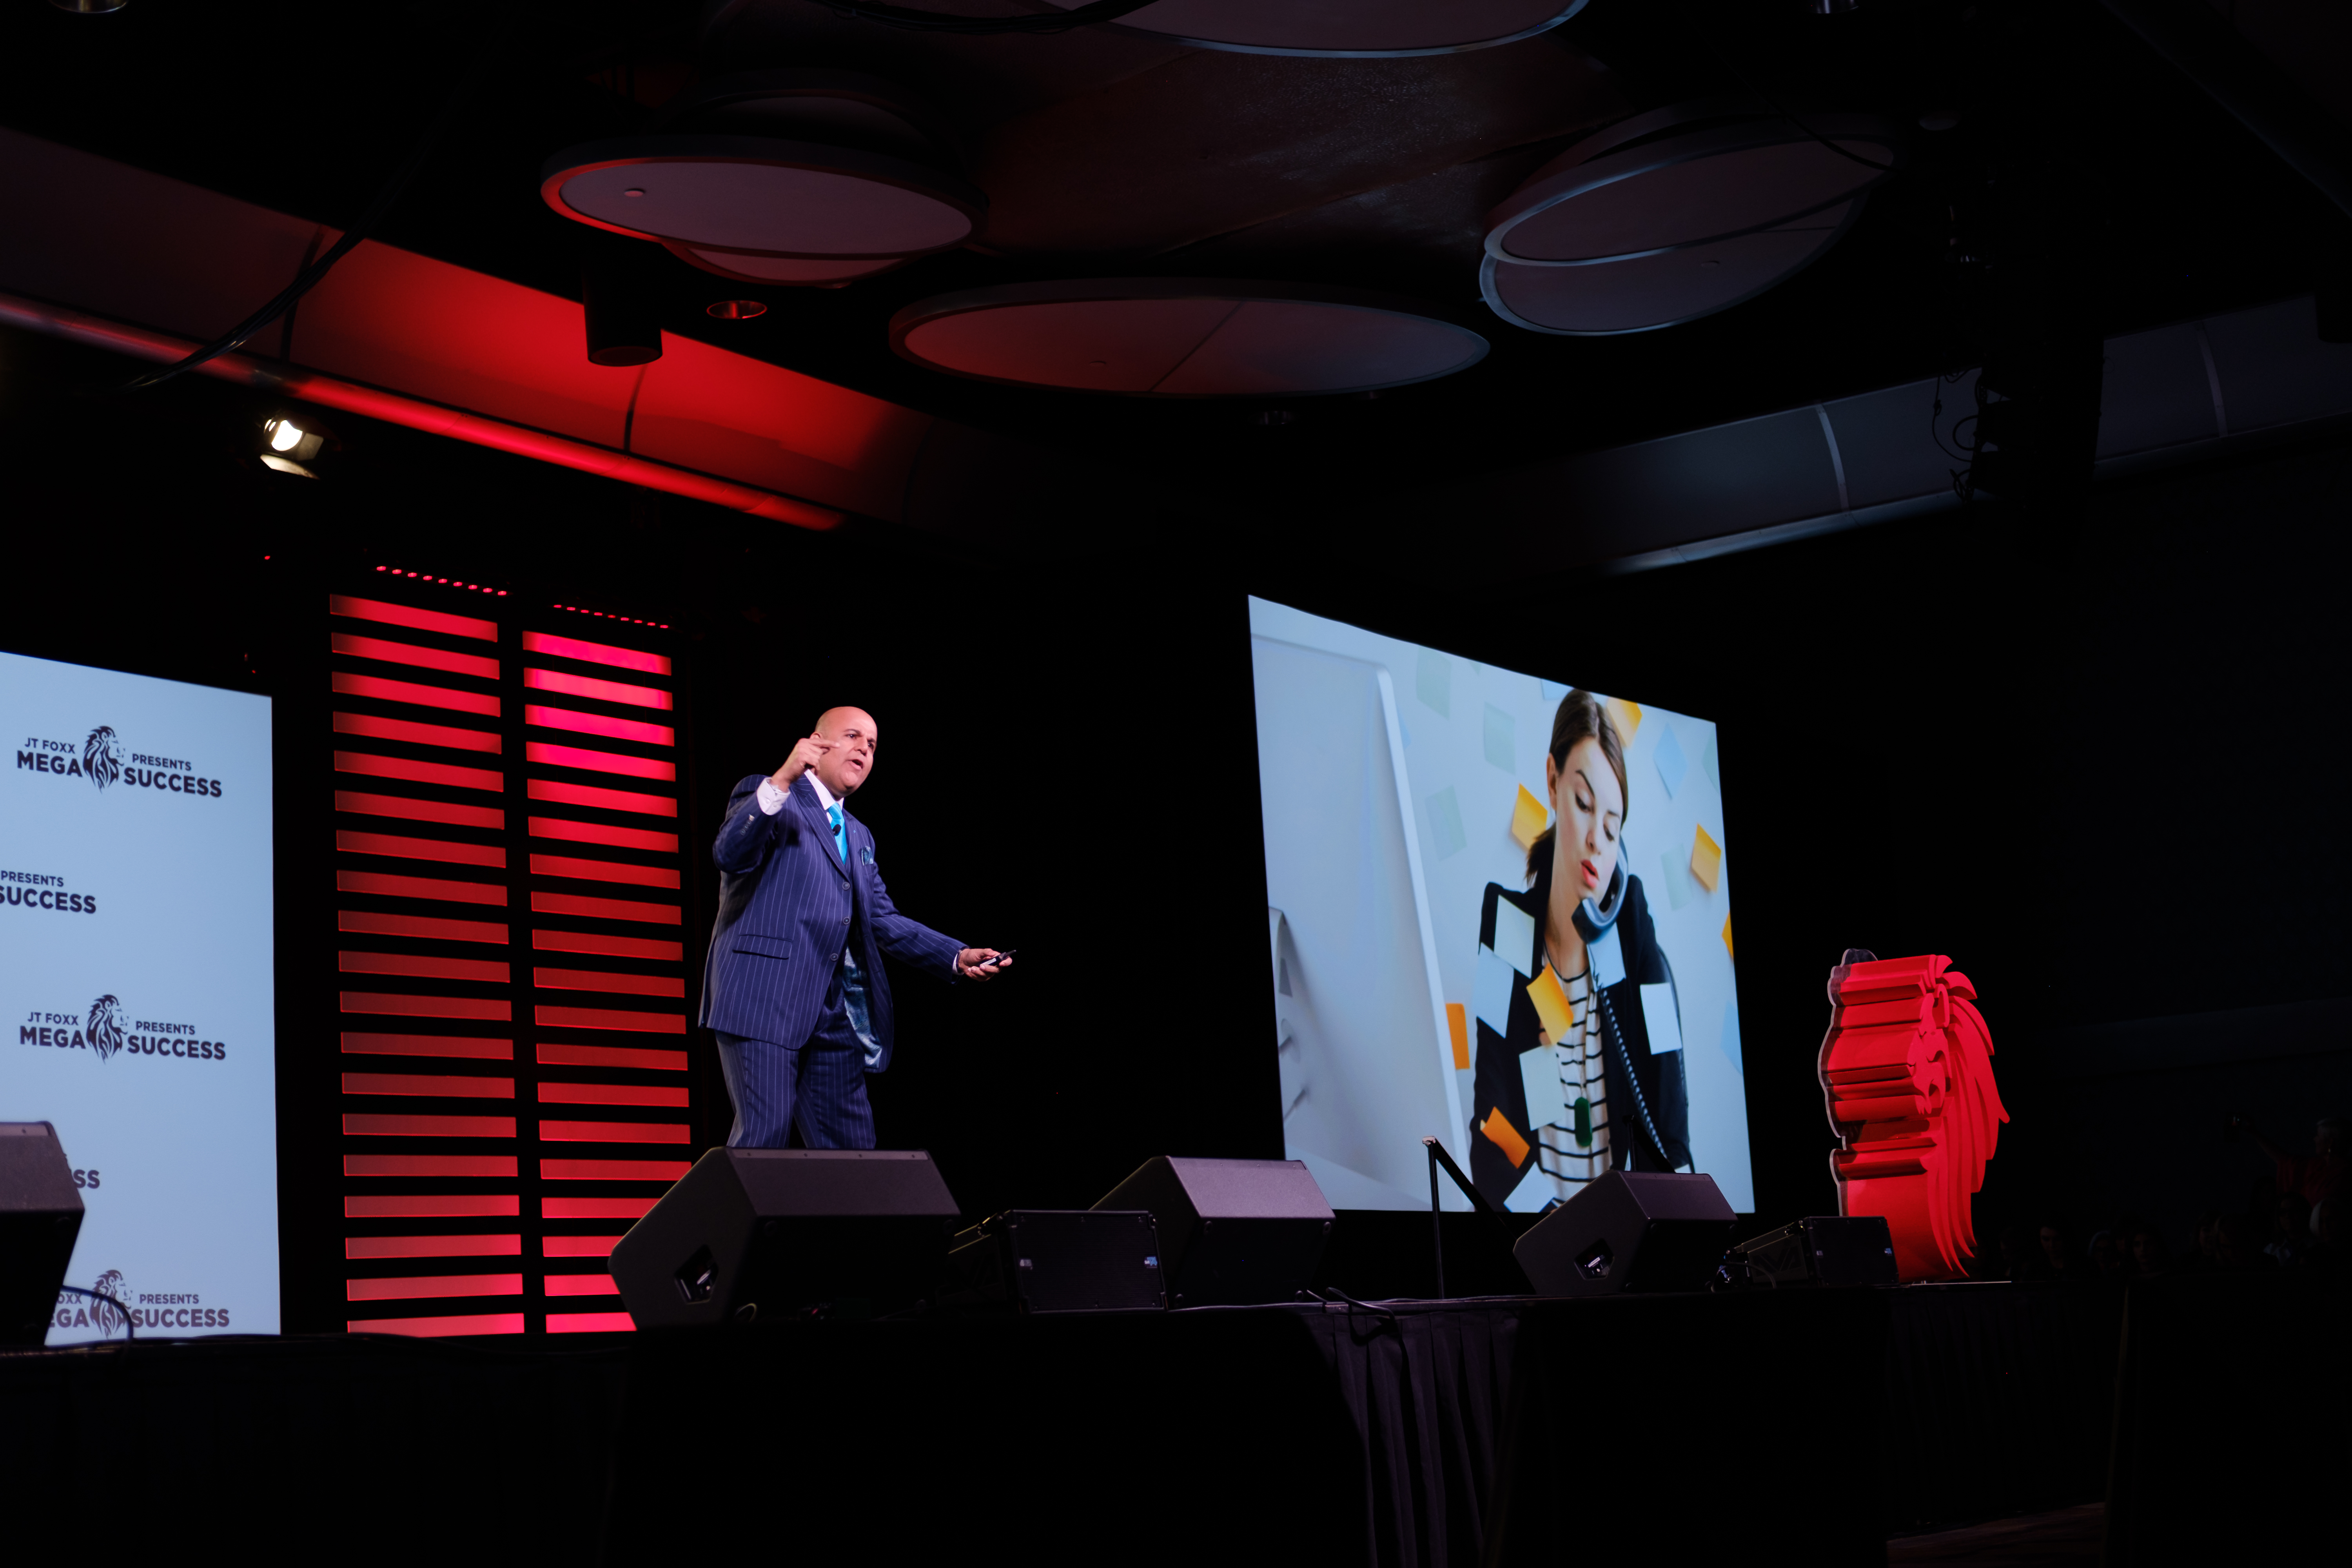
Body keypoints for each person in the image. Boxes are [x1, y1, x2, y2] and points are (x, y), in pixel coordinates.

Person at [699, 707, 1008, 1149]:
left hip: (831, 1012)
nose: (865, 748)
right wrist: (782, 779)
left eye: (873, 744)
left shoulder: (859, 834)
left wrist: (956, 956)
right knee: (763, 1143)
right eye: (853, 736)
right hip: (762, 997)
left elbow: (881, 918)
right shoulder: (768, 793)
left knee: (854, 1154)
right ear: (817, 744)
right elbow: (730, 855)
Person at [1468, 690, 1691, 1209]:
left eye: (1612, 828)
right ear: (1552, 781)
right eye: (1584, 805)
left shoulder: (1633, 930)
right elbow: (1491, 1120)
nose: (1596, 839)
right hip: (1539, 1236)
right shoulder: (1506, 926)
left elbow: (1671, 1118)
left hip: (1628, 1235)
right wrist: (1549, 1221)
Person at [2231, 1113, 2347, 1209]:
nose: (2314, 1139)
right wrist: (2254, 1132)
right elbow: (2284, 1160)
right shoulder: (2316, 1166)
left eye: (2318, 1136)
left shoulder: (2344, 1173)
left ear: (2330, 1142)